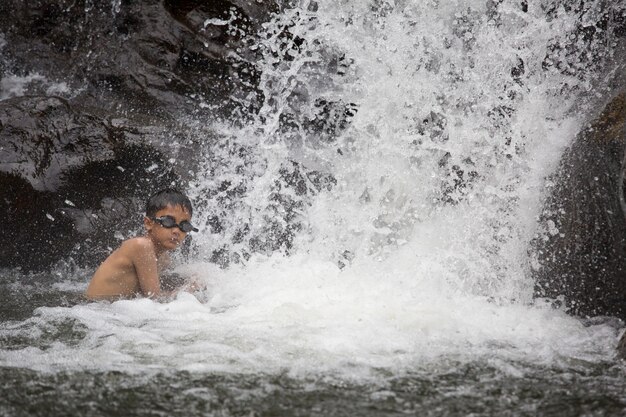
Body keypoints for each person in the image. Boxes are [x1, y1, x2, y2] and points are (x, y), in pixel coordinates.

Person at [85, 188, 200, 300]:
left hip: (109, 310)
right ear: (148, 223)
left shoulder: (163, 259)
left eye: (185, 225)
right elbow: (154, 298)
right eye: (168, 221)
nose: (176, 231)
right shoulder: (141, 246)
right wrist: (188, 290)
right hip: (92, 308)